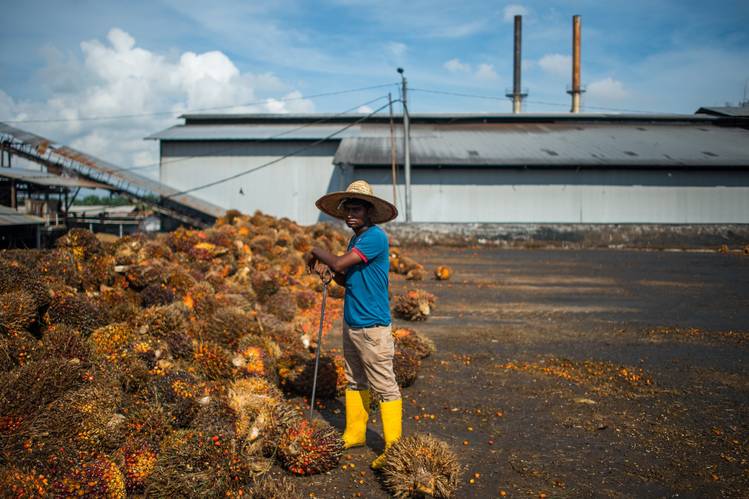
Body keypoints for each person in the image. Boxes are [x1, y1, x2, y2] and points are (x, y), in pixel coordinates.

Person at [307, 180, 400, 470]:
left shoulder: (374, 237)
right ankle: (355, 433)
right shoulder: (356, 240)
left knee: (384, 385)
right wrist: (331, 274)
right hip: (353, 321)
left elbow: (337, 263)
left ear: (369, 212)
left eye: (356, 209)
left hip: (373, 325)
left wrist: (314, 251)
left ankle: (394, 447)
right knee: (354, 379)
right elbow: (346, 276)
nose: (350, 215)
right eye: (347, 210)